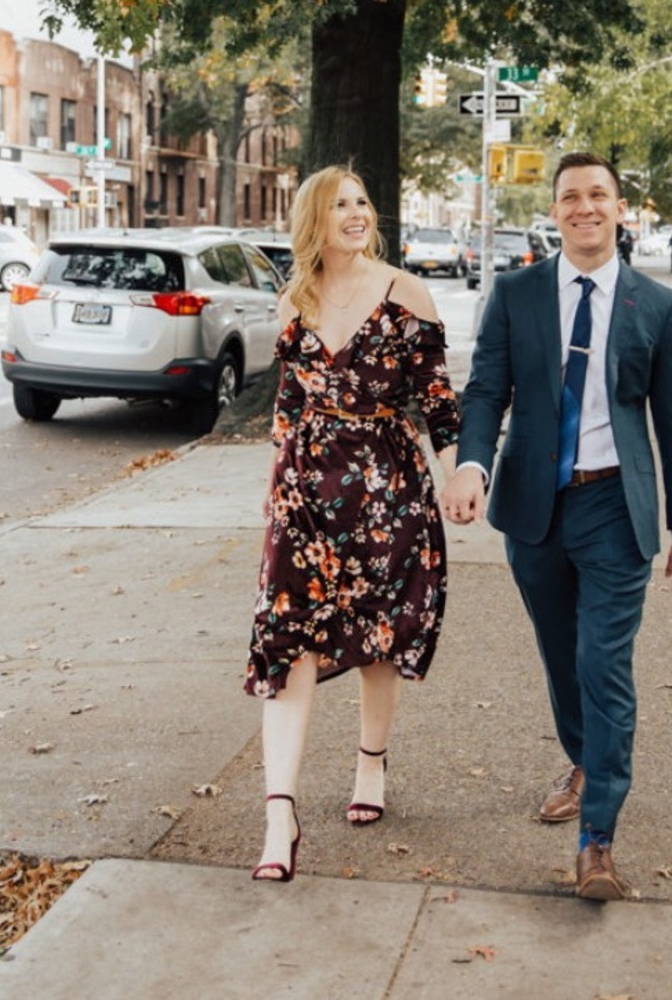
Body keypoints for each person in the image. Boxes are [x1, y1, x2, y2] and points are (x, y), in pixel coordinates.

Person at [441, 151, 672, 900]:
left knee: (602, 664)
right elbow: (487, 387)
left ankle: (598, 841)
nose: (584, 207)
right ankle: (586, 758)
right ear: (554, 210)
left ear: (622, 208)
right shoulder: (517, 292)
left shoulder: (656, 307)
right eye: (569, 197)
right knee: (562, 657)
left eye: (598, 195)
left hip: (616, 509)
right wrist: (471, 464)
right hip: (533, 505)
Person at [245, 166, 460, 882]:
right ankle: (280, 815)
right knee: (287, 642)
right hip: (304, 495)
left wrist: (461, 471)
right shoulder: (292, 301)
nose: (356, 213)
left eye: (363, 201)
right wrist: (278, 486)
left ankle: (371, 764)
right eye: (339, 204)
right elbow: (286, 408)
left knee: (377, 635)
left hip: (386, 490)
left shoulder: (408, 293)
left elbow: (438, 402)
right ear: (314, 219)